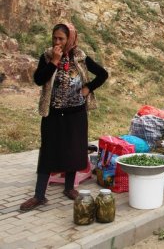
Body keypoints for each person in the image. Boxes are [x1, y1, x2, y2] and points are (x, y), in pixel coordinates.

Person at [20, 23, 108, 211]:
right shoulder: (46, 56)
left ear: (70, 39)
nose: (57, 42)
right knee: (48, 152)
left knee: (73, 151)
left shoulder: (80, 57)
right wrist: (54, 61)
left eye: (61, 38)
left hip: (76, 114)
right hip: (53, 114)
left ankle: (69, 188)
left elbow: (103, 74)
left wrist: (88, 88)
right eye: (55, 38)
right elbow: (38, 80)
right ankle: (39, 195)